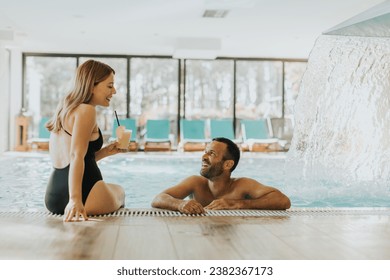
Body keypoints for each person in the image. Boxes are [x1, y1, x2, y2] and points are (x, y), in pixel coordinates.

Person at [45, 59, 126, 222]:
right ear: (91, 85)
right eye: (110, 86)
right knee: (120, 191)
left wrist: (104, 152)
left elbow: (76, 158)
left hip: (54, 196)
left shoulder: (64, 109)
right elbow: (76, 156)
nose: (114, 91)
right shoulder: (87, 110)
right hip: (85, 195)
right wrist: (75, 199)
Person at [152, 137, 291, 214]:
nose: (203, 157)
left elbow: (283, 201)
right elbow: (158, 199)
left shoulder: (242, 185)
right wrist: (181, 204)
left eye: (211, 153)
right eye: (205, 151)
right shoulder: (195, 183)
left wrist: (236, 204)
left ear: (228, 165)